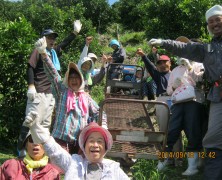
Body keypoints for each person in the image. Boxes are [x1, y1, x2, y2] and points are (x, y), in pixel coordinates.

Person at [148, 4, 222, 179]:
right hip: (216, 96)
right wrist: (164, 43)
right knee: (210, 137)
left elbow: (199, 78)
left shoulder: (197, 62)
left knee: (196, 132)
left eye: (218, 19)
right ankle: (209, 172)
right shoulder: (206, 49)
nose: (214, 24)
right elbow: (184, 48)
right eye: (210, 21)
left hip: (196, 101)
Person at [17, 20, 83, 155]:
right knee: (32, 121)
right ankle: (22, 151)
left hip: (51, 94)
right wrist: (31, 86)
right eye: (49, 37)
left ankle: (40, 153)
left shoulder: (52, 53)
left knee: (45, 126)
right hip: (39, 92)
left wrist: (75, 33)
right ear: (43, 39)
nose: (52, 40)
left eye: (53, 38)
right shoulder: (38, 50)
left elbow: (65, 43)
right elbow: (30, 67)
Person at [34, 36, 107, 154]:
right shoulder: (62, 91)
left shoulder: (86, 98)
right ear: (67, 80)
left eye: (76, 78)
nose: (74, 80)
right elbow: (53, 74)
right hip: (60, 141)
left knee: (77, 171)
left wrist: (103, 126)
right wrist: (43, 54)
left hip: (80, 143)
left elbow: (99, 112)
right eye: (71, 78)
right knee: (58, 169)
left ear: (81, 80)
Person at [22, 111, 130, 179]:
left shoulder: (113, 168)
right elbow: (56, 152)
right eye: (91, 140)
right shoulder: (74, 163)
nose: (95, 145)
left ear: (106, 147)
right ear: (84, 146)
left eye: (100, 141)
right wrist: (38, 129)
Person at [136, 48, 183, 165]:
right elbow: (150, 66)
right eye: (160, 63)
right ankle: (168, 157)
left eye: (165, 62)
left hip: (176, 100)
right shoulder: (158, 75)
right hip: (162, 100)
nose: (162, 64)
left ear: (170, 63)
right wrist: (143, 56)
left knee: (176, 129)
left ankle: (179, 159)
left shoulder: (177, 73)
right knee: (163, 130)